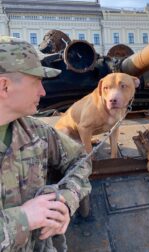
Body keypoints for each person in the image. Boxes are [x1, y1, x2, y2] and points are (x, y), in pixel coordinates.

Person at [0, 36, 92, 251]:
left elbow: (80, 160)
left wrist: (66, 201)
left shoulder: (37, 132)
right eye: (36, 82)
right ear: (4, 86)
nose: (43, 91)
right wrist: (24, 219)